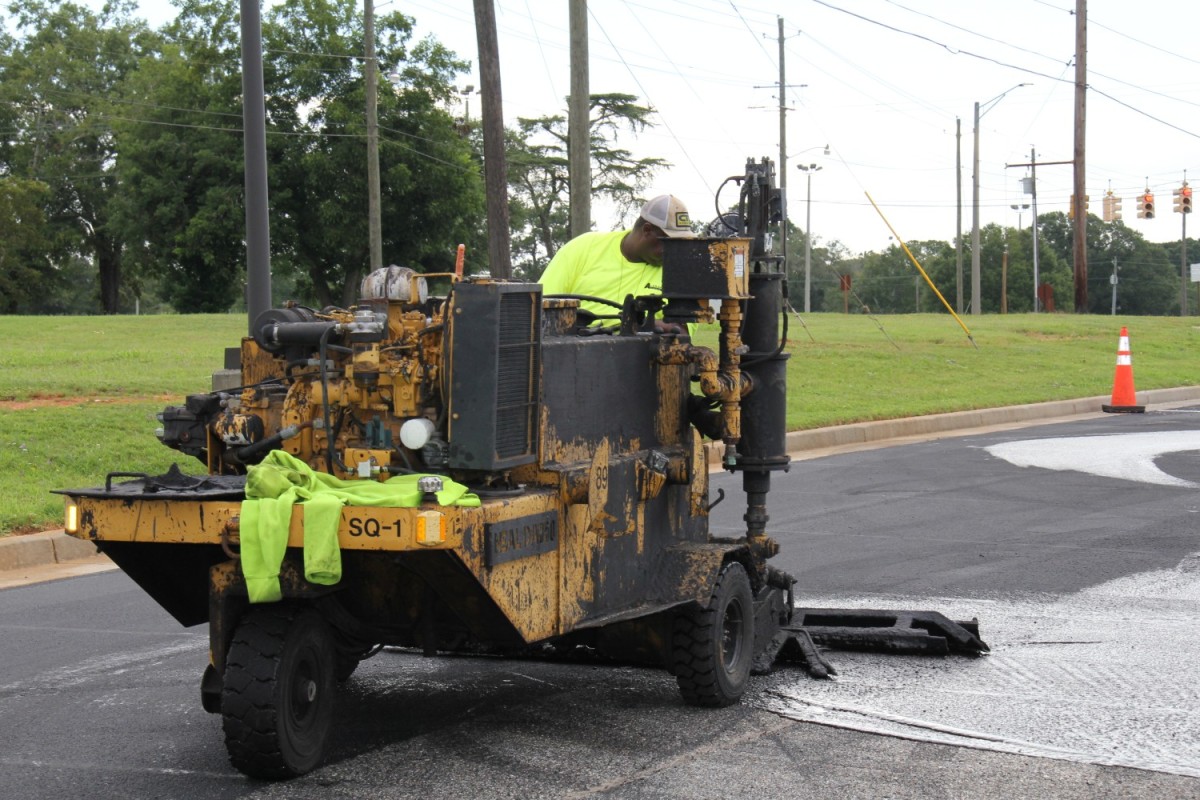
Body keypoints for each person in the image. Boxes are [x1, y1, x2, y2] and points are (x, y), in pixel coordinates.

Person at [538, 194, 693, 326]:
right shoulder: (583, 247)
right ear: (647, 230)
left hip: (644, 357)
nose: (674, 251)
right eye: (668, 242)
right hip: (573, 351)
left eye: (679, 243)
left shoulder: (680, 271)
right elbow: (541, 306)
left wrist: (644, 326)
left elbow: (682, 330)